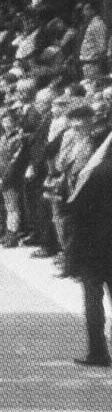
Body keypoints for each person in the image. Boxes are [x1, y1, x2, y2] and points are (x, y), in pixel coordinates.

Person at [64, 107, 112, 367]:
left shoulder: (96, 172)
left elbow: (76, 210)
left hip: (94, 249)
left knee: (94, 304)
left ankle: (98, 352)